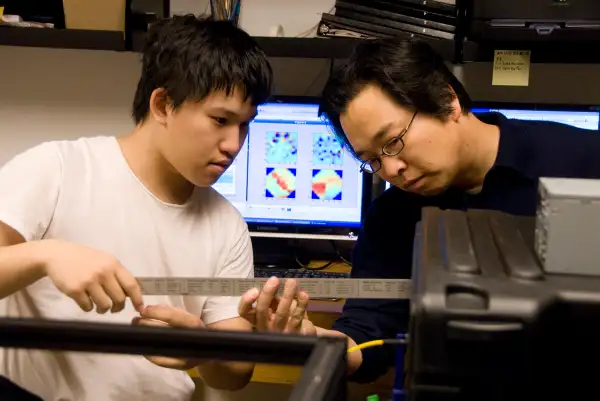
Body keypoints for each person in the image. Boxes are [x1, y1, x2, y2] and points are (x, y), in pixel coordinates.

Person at [238, 38, 600, 383]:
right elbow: (367, 339)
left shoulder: (583, 160)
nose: (391, 170)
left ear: (447, 100)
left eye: (393, 142)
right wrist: (311, 340)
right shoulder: (392, 216)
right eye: (372, 160)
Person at [0, 15, 281, 401]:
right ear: (163, 105)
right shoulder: (58, 168)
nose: (234, 144)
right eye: (220, 120)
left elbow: (235, 374)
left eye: (245, 125)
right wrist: (44, 255)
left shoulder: (227, 225)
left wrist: (202, 347)